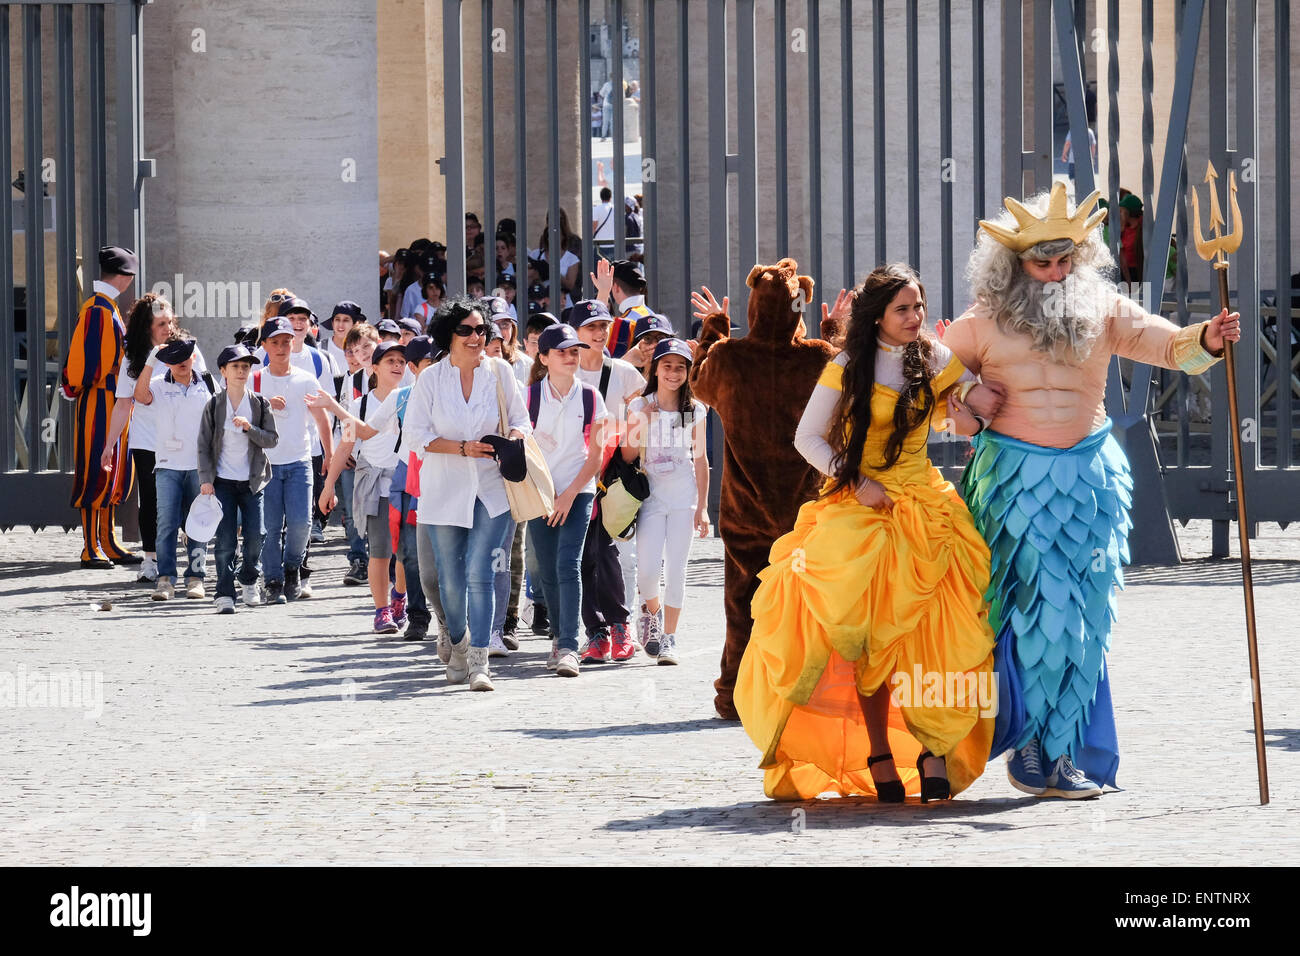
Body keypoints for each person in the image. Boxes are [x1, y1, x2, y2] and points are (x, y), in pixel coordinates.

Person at [941, 182, 1240, 797]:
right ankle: (1028, 747)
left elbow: (1164, 342)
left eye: (1063, 260)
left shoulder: (1102, 307)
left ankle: (1063, 752)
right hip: (1015, 483)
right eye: (1040, 261)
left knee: (1086, 618)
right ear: (1014, 263)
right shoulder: (979, 322)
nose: (1053, 273)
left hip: (1090, 479)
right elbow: (924, 387)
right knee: (1032, 614)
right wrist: (965, 400)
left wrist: (1207, 339)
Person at [735, 264, 1006, 802]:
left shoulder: (932, 355)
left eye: (919, 307)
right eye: (903, 309)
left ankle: (933, 750)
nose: (915, 317)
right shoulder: (846, 365)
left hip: (926, 505)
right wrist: (855, 481)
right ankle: (879, 751)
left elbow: (972, 414)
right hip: (860, 508)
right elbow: (806, 437)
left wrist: (974, 408)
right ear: (877, 315)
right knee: (866, 641)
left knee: (933, 636)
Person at [687, 259, 844, 721]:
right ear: (800, 309)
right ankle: (809, 688)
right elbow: (845, 379)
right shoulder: (818, 357)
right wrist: (833, 328)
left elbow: (700, 384)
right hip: (806, 509)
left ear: (753, 306)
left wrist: (714, 329)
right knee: (809, 604)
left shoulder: (731, 358)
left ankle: (734, 692)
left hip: (744, 509)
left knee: (743, 603)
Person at [402, 296, 530, 692]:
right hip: (443, 491)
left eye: (481, 330)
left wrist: (511, 438)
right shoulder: (431, 379)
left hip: (492, 489)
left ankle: (478, 660)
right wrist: (462, 448)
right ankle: (455, 642)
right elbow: (415, 436)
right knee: (448, 581)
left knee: (481, 574)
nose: (476, 337)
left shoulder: (501, 373)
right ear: (449, 335)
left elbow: (523, 421)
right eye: (466, 330)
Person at [525, 323, 610, 677]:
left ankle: (570, 647)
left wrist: (570, 493)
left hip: (578, 490)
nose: (570, 356)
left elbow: (596, 455)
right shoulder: (527, 397)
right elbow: (523, 449)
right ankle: (558, 638)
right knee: (546, 571)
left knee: (568, 564)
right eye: (561, 351)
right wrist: (546, 495)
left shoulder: (591, 396)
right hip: (539, 494)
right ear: (543, 358)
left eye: (574, 351)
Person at [624, 338, 710, 664]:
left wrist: (701, 508)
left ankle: (670, 638)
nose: (673, 373)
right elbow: (628, 454)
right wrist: (642, 420)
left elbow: (700, 461)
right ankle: (651, 611)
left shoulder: (694, 410)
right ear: (655, 369)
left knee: (677, 569)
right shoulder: (638, 406)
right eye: (667, 366)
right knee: (647, 573)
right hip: (650, 498)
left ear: (687, 372)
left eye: (680, 367)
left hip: (682, 498)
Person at [569, 300, 646, 662]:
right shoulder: (564, 372)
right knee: (581, 557)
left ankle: (619, 626)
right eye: (591, 328)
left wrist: (626, 439)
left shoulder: (625, 373)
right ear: (575, 334)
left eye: (603, 327)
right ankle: (596, 633)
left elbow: (649, 411)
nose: (599, 334)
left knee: (605, 549)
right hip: (572, 474)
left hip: (612, 475)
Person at [320, 341, 410, 634]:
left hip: (406, 483)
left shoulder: (411, 399)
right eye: (390, 361)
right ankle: (382, 610)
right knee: (380, 551)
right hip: (373, 485)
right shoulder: (358, 406)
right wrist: (329, 485)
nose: (397, 366)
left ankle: (400, 597)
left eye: (401, 361)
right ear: (375, 368)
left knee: (406, 553)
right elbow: (346, 444)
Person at [62, 245, 141, 569]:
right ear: (124, 277)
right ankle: (89, 547)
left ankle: (106, 542)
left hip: (111, 398)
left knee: (112, 471)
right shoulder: (98, 309)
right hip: (98, 399)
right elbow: (90, 363)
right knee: (97, 468)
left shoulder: (105, 307)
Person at [250, 317, 334, 605]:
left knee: (301, 523)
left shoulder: (305, 379)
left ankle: (292, 569)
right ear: (264, 345)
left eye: (286, 341)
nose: (282, 347)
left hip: (300, 461)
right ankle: (272, 580)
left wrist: (330, 455)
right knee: (271, 527)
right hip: (267, 463)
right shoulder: (254, 379)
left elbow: (322, 420)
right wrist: (264, 406)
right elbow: (239, 420)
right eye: (275, 341)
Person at [100, 293, 182, 583]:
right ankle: (150, 559)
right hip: (146, 440)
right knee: (150, 499)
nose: (167, 328)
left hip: (180, 440)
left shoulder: (185, 352)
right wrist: (109, 444)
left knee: (182, 499)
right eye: (161, 323)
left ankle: (188, 558)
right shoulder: (133, 359)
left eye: (170, 322)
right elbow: (123, 404)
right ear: (146, 326)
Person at [132, 338, 218, 601]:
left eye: (186, 357)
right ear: (166, 362)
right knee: (166, 523)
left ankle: (196, 577)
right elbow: (139, 396)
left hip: (199, 466)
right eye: (174, 359)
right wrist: (150, 361)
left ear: (194, 357)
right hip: (168, 465)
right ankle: (165, 579)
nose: (181, 363)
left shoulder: (208, 382)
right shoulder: (157, 385)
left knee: (198, 524)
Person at [197, 344, 279, 613]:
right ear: (223, 371)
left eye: (246, 367)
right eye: (236, 367)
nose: (242, 371)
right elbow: (203, 445)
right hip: (222, 482)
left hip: (253, 482)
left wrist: (249, 427)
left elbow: (271, 439)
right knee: (226, 539)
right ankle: (224, 593)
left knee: (258, 534)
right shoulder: (214, 404)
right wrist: (206, 479)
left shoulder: (259, 403)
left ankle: (248, 579)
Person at [590, 258, 652, 359]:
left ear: (615, 287)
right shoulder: (656, 318)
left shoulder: (623, 324)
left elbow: (604, 360)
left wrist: (603, 292)